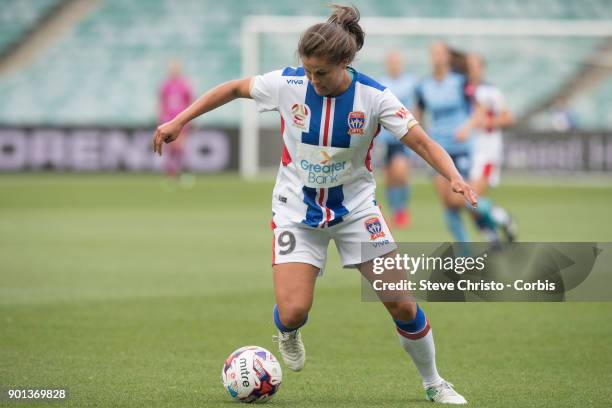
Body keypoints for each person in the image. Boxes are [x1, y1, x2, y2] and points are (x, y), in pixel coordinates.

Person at [153, 6, 474, 404]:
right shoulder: (286, 84)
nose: (312, 79)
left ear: (344, 61)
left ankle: (434, 382)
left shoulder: (375, 98)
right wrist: (179, 121)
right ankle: (287, 332)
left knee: (402, 302)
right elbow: (234, 88)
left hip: (357, 211)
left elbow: (422, 142)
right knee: (293, 311)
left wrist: (454, 176)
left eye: (320, 72)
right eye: (307, 71)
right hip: (295, 212)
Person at [414, 42, 473, 250]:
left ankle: (490, 212)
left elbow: (479, 108)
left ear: (448, 57)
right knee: (447, 204)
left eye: (439, 53)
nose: (436, 57)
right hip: (437, 149)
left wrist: (468, 126)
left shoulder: (460, 82)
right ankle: (465, 251)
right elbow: (417, 115)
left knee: (457, 200)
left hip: (460, 146)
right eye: (433, 53)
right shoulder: (423, 86)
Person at [458, 53, 517, 243]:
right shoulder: (463, 90)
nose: (472, 69)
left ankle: (503, 219)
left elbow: (509, 118)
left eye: (475, 65)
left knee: (471, 197)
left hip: (487, 151)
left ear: (482, 68)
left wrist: (486, 121)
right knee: (469, 201)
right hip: (468, 151)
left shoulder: (490, 92)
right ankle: (493, 238)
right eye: (469, 65)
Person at [376, 51, 418, 228]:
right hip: (386, 138)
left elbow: (416, 106)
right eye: (391, 62)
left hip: (403, 136)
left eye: (396, 62)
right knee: (390, 177)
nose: (394, 65)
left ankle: (402, 209)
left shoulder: (411, 83)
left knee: (401, 172)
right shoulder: (381, 83)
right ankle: (395, 212)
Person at [158, 60, 193, 179]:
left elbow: (190, 101)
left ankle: (182, 170)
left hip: (182, 119)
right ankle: (172, 172)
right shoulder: (165, 85)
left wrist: (191, 118)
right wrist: (161, 117)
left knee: (180, 146)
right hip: (168, 119)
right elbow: (161, 102)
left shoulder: (184, 84)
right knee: (171, 147)